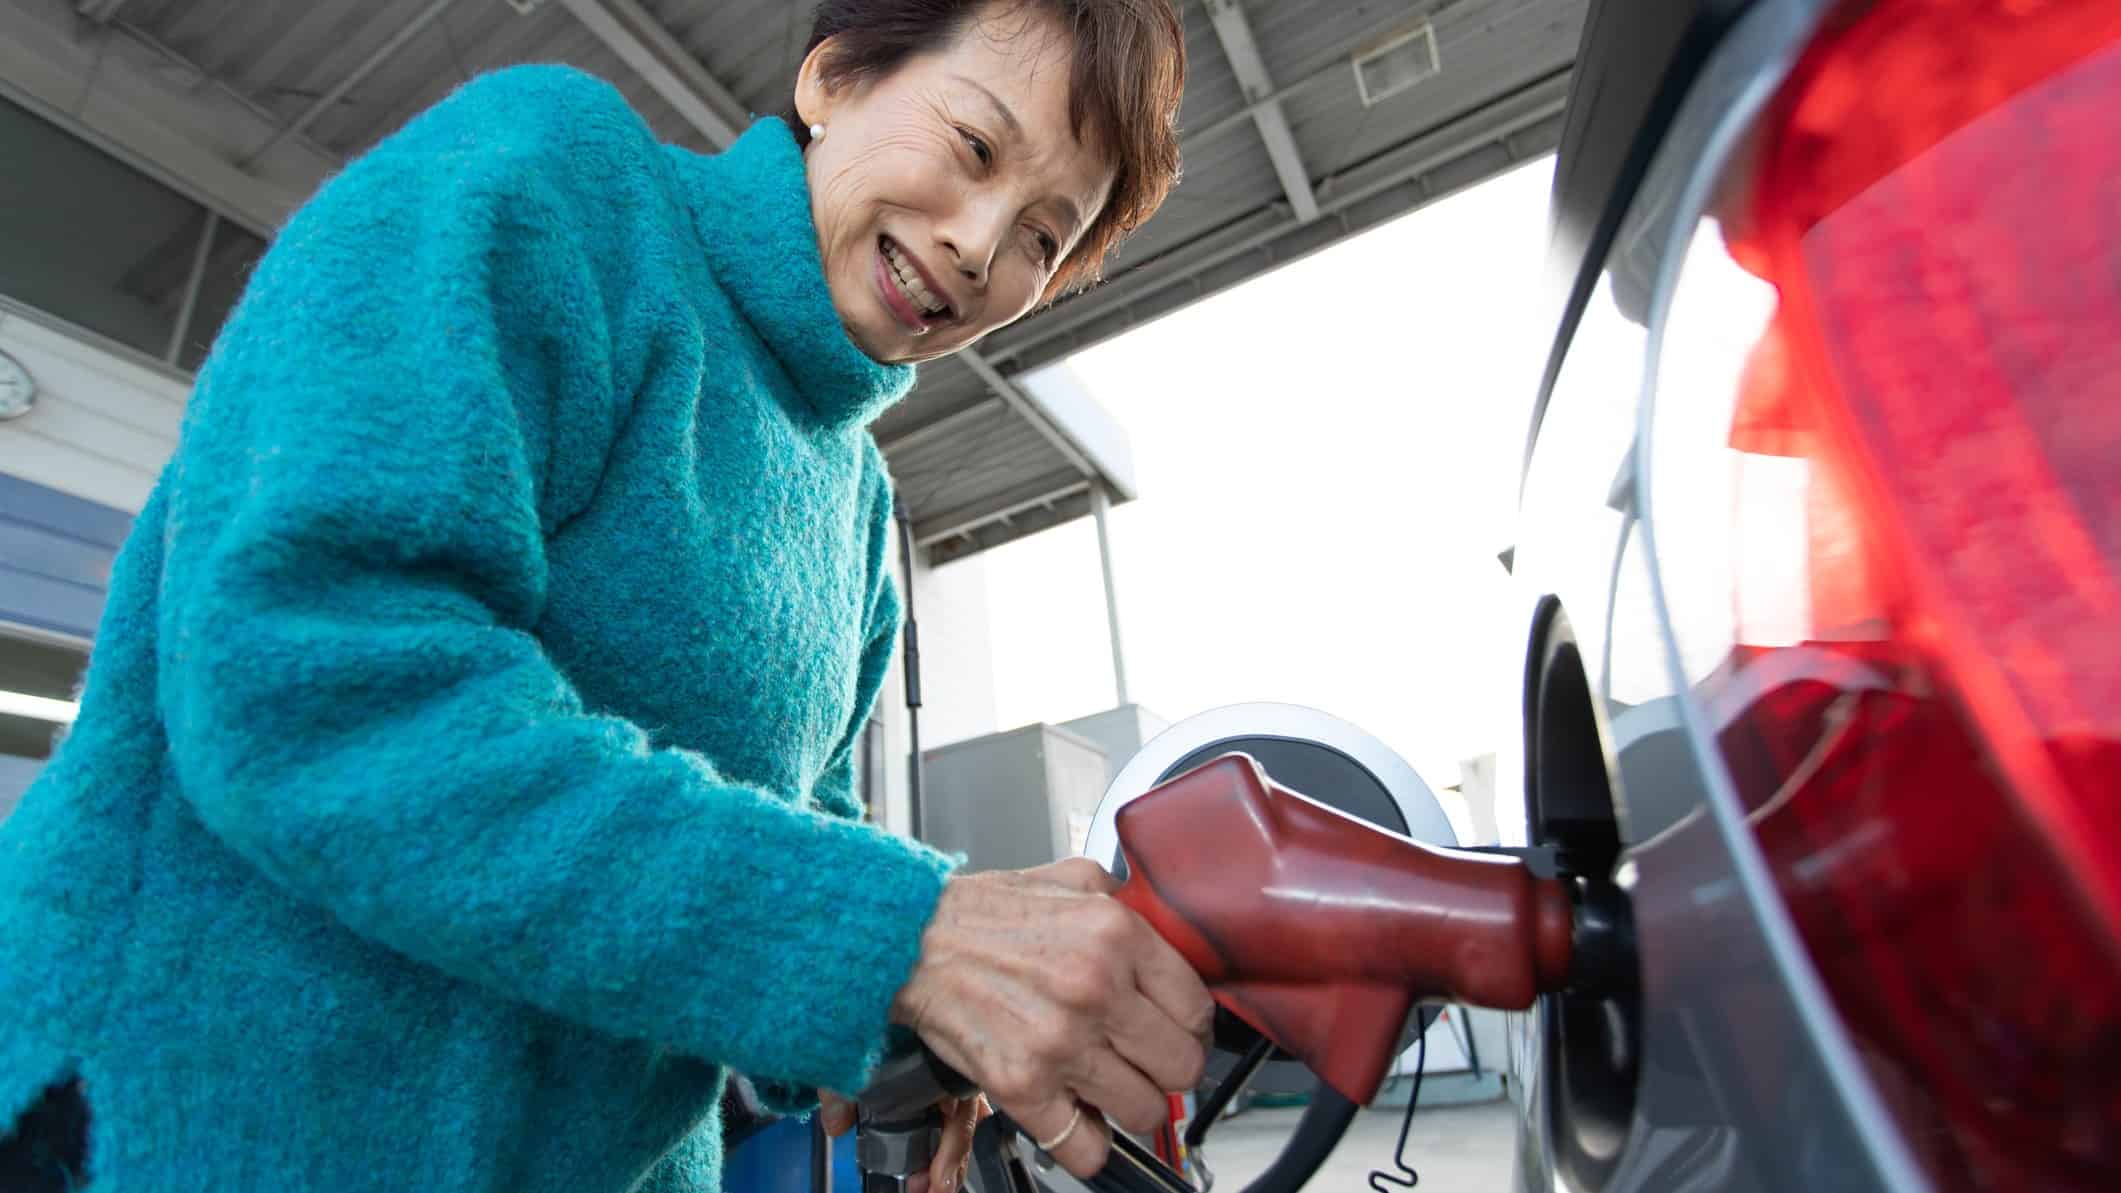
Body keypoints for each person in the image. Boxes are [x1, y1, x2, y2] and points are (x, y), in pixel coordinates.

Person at [0, 1, 1200, 1190]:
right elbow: (314, 676)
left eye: (1046, 237)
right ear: (833, 80)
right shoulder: (555, 182)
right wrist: (902, 938)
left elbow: (803, 851)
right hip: (178, 1124)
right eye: (976, 148)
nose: (983, 247)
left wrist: (914, 1035)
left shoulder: (858, 510)